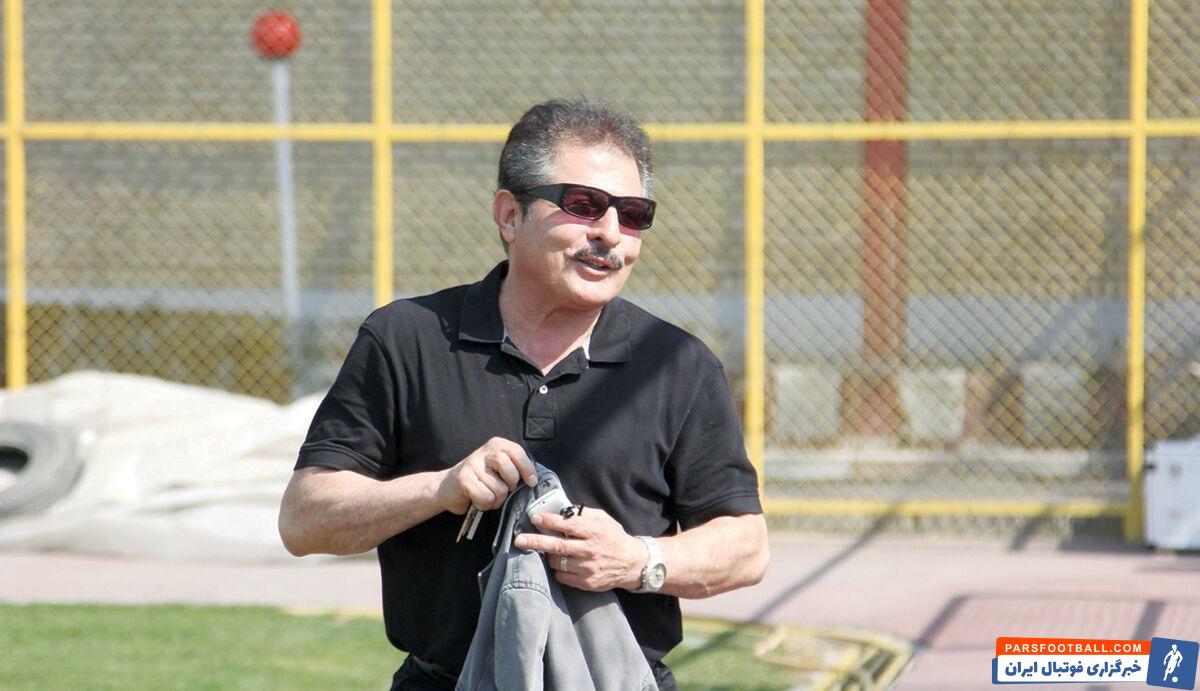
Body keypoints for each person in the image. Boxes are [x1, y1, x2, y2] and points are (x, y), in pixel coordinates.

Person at [278, 97, 770, 691]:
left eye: (633, 214)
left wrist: (637, 560)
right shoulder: (405, 339)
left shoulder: (678, 365)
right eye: (583, 205)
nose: (610, 233)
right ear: (510, 215)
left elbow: (747, 547)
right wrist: (439, 489)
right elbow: (304, 520)